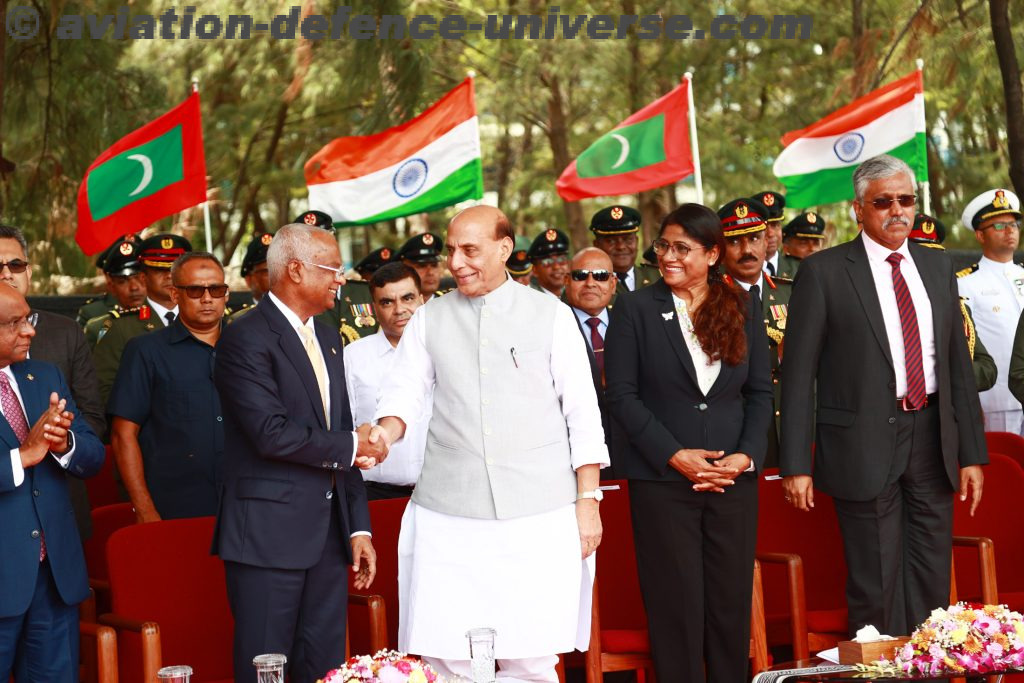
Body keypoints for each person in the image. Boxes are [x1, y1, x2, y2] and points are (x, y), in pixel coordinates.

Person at [371, 205, 608, 683]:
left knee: (532, 654)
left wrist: (588, 500)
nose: (456, 262)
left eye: (470, 250)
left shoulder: (552, 315)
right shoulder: (430, 318)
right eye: (451, 250)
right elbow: (404, 394)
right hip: (448, 511)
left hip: (538, 510)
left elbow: (581, 412)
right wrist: (383, 433)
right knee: (447, 655)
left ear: (504, 249)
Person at [780, 154, 987, 638]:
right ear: (858, 209)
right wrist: (796, 463)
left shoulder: (939, 268)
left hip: (934, 437)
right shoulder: (825, 272)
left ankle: (929, 664)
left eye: (906, 200)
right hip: (862, 442)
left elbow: (957, 365)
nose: (897, 211)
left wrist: (972, 452)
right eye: (884, 202)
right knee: (876, 580)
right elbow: (797, 374)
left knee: (932, 573)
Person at [604, 203, 772, 683]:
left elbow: (761, 391)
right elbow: (621, 395)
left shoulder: (743, 305)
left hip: (731, 482)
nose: (669, 256)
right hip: (662, 481)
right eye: (663, 246)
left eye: (683, 248)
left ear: (712, 253)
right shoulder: (635, 308)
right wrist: (674, 455)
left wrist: (744, 456)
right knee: (674, 608)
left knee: (729, 604)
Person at [212, 222, 380, 683]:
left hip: (328, 536)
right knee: (266, 666)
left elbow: (340, 431)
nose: (340, 280)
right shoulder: (245, 338)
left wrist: (358, 526)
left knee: (325, 664)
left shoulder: (328, 335)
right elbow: (270, 433)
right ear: (295, 270)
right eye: (332, 269)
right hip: (267, 536)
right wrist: (352, 445)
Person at [0, 285, 105, 682]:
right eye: (15, 323)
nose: (29, 331)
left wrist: (65, 444)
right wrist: (21, 456)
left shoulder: (44, 375)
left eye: (30, 319)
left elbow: (93, 455)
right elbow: (26, 454)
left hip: (53, 577)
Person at [0, 225, 104, 540]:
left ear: (28, 270)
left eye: (15, 265)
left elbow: (92, 427)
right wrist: (24, 455)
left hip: (60, 520)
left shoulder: (61, 343)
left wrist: (64, 442)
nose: (6, 274)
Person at [107, 253, 228, 522]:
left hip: (244, 506)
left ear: (226, 295)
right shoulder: (145, 351)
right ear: (175, 294)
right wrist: (144, 507)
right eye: (196, 290)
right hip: (175, 507)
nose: (207, 298)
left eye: (216, 289)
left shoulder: (248, 347)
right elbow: (122, 435)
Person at [717, 198, 793, 469]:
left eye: (754, 239)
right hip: (739, 430)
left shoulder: (792, 292)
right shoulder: (709, 300)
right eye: (735, 242)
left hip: (793, 424)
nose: (747, 250)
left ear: (766, 241)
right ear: (720, 248)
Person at [344, 263, 429, 500]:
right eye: (387, 302)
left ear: (422, 300)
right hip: (376, 494)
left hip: (438, 494)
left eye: (408, 298)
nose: (400, 309)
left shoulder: (443, 350)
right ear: (374, 308)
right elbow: (344, 427)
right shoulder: (353, 356)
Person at [93, 233, 191, 406]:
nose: (169, 276)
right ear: (144, 277)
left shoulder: (206, 321)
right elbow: (105, 392)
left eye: (175, 270)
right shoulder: (120, 328)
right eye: (160, 270)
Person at [956, 189, 1024, 433]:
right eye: (999, 226)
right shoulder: (964, 284)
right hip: (997, 400)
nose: (1010, 231)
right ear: (979, 235)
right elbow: (964, 347)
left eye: (1014, 224)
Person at [908, 213, 997, 392]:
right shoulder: (886, 303)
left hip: (947, 412)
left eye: (933, 257)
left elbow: (988, 369)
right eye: (919, 256)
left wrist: (949, 373)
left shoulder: (957, 307)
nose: (928, 264)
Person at [565, 247, 626, 479]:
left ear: (613, 283)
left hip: (630, 454)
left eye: (600, 275)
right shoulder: (552, 325)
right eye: (581, 275)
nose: (590, 282)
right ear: (567, 281)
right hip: (573, 459)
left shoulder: (630, 323)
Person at [296, 210, 379, 345]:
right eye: (310, 244)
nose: (320, 249)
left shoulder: (365, 292)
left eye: (325, 240)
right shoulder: (296, 302)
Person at [82, 236, 147, 347]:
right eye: (123, 281)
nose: (134, 287)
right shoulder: (100, 325)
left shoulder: (167, 315)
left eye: (139, 278)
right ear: (111, 286)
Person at [589, 205, 659, 294]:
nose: (621, 246)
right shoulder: (589, 284)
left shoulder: (657, 277)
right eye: (611, 241)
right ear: (597, 245)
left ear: (636, 241)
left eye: (628, 240)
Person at [227, 231, 274, 322]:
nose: (278, 275)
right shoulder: (238, 318)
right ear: (249, 279)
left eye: (281, 269)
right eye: (268, 271)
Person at [777, 211, 826, 279]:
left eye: (816, 243)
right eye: (804, 243)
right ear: (786, 247)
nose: (811, 248)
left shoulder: (827, 271)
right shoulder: (777, 271)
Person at [397, 232, 444, 299]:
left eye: (434, 265)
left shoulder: (452, 304)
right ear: (404, 270)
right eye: (422, 266)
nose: (430, 273)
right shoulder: (396, 308)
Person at [527, 228, 571, 297]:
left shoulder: (574, 297)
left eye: (561, 259)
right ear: (535, 270)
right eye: (547, 262)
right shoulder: (527, 300)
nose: (556, 266)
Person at [752, 191, 786, 277]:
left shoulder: (798, 268)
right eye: (764, 227)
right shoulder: (738, 270)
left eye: (775, 225)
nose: (770, 234)